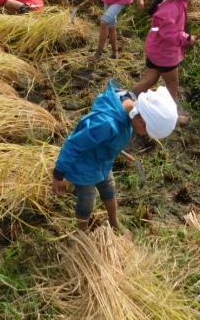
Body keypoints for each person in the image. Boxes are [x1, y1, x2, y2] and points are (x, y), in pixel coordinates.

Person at [51, 80, 177, 232]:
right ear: (142, 121)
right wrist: (58, 174)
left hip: (103, 161)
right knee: (87, 201)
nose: (145, 136)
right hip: (84, 166)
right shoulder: (105, 124)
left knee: (109, 188)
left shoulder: (132, 106)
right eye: (147, 132)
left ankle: (114, 221)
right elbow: (74, 144)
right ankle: (82, 232)